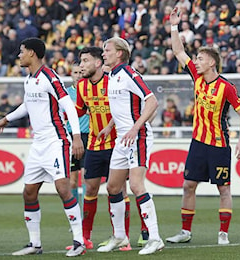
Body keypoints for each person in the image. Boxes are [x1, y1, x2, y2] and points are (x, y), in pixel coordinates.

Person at [0, 37, 85, 257]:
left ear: (32, 53)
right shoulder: (29, 79)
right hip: (38, 144)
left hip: (56, 140)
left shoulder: (50, 77)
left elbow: (68, 107)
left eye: (22, 51)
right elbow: (28, 104)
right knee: (29, 192)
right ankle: (35, 244)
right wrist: (7, 118)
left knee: (63, 188)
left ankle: (79, 242)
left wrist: (77, 137)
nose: (19, 55)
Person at [166, 6, 240, 246]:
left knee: (223, 189)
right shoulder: (197, 76)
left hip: (219, 145)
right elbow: (178, 50)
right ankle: (185, 231)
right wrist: (174, 25)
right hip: (198, 143)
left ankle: (223, 233)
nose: (197, 62)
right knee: (188, 185)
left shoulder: (227, 87)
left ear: (212, 62)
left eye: (201, 58)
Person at [68, 47, 149, 251]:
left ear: (97, 63)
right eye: (80, 62)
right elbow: (78, 112)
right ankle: (85, 238)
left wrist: (112, 126)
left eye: (85, 61)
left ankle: (126, 237)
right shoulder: (82, 87)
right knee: (91, 188)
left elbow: (128, 106)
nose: (81, 66)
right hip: (95, 144)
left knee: (121, 189)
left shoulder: (112, 81)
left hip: (119, 143)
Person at [96, 36, 164, 255]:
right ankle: (119, 236)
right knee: (113, 187)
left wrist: (135, 127)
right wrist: (109, 126)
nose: (103, 53)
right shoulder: (112, 77)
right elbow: (124, 107)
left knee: (136, 185)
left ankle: (154, 238)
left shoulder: (128, 74)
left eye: (107, 50)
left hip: (138, 137)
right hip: (121, 139)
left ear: (120, 54)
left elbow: (152, 101)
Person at [64, 63, 90, 220]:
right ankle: (76, 216)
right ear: (71, 74)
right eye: (75, 72)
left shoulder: (89, 90)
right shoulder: (66, 94)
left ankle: (86, 216)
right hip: (72, 137)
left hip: (88, 136)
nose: (79, 75)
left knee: (87, 178)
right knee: (72, 181)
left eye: (81, 72)